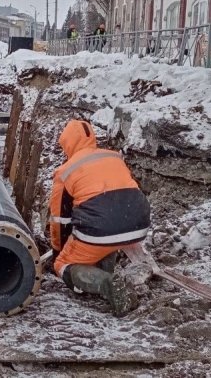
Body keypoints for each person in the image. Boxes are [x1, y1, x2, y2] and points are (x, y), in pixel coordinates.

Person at [48, 119, 151, 316]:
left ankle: (107, 284)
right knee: (106, 230)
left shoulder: (65, 171)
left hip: (102, 229)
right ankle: (106, 270)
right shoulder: (113, 156)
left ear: (67, 143)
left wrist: (58, 250)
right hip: (138, 223)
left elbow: (59, 220)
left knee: (64, 264)